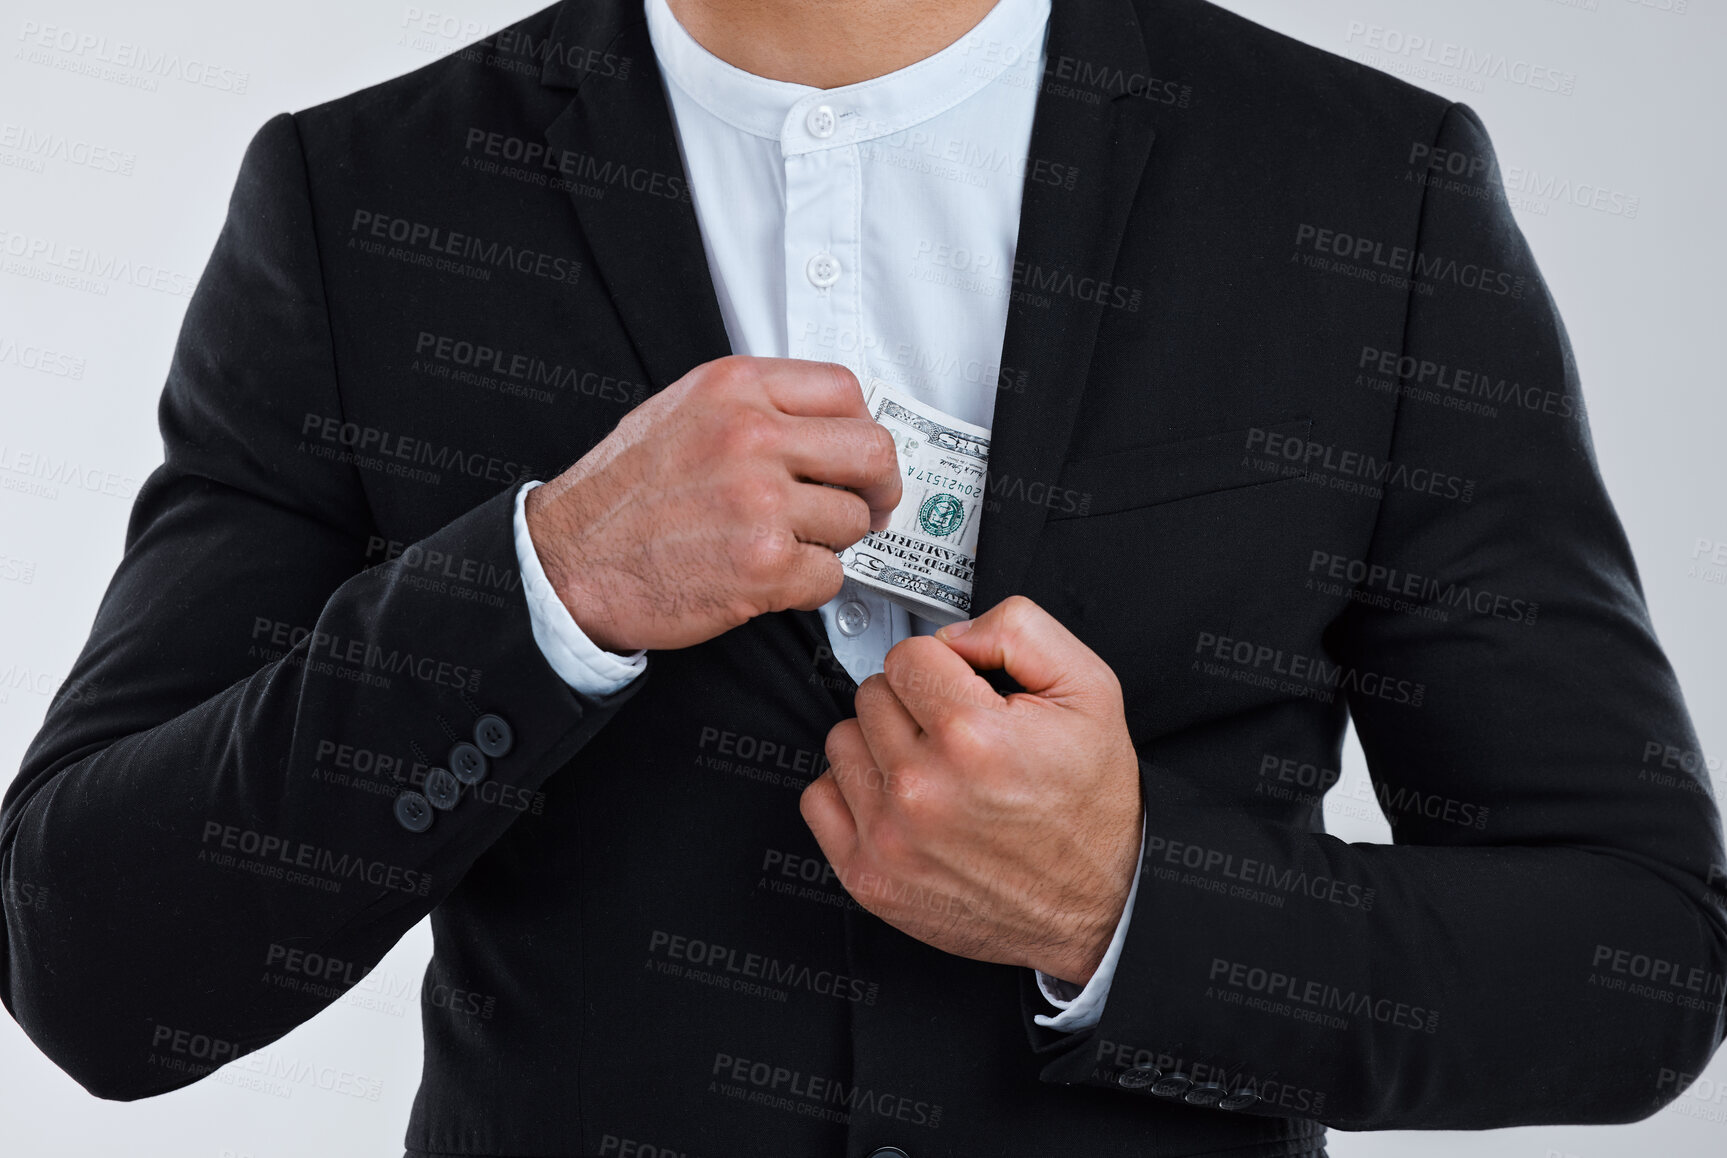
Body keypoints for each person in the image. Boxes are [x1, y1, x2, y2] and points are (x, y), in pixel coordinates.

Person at [4, 0, 1723, 1154]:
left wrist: (1123, 902)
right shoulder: (360, 198)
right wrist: (545, 589)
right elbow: (90, 958)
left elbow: (1638, 957)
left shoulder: (1360, 186)